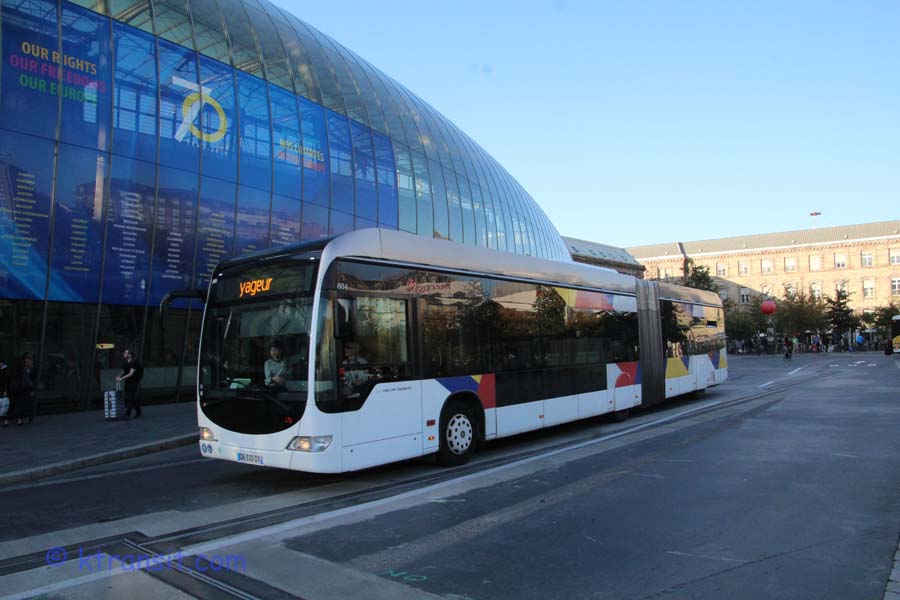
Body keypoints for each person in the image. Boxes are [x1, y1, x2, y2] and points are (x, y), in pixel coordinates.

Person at [116, 349, 143, 420]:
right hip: (127, 383)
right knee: (131, 399)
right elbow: (123, 371)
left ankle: (127, 415)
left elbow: (131, 374)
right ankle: (139, 412)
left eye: (125, 353)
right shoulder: (125, 363)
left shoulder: (134, 363)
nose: (123, 354)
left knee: (130, 399)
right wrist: (119, 376)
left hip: (134, 383)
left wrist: (121, 379)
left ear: (130, 355)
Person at [10, 353, 36, 425]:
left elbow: (33, 380)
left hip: (28, 388)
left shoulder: (32, 369)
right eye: (26, 361)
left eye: (29, 361)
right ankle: (18, 419)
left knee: (28, 404)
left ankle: (26, 418)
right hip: (22, 389)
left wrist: (33, 389)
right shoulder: (21, 369)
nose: (27, 362)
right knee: (20, 404)